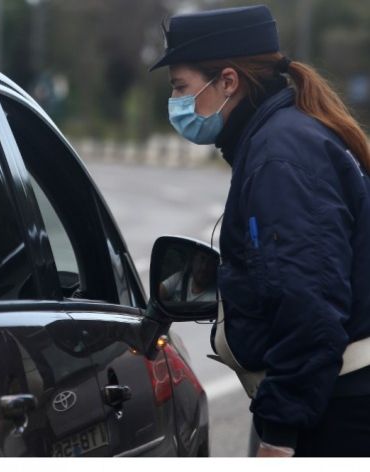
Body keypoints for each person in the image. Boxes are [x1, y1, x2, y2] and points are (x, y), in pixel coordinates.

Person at [150, 5, 370, 457]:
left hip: (338, 409)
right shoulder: (281, 140)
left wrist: (279, 434)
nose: (176, 104)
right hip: (330, 397)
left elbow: (307, 305)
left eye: (180, 88)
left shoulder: (279, 158)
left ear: (227, 82)